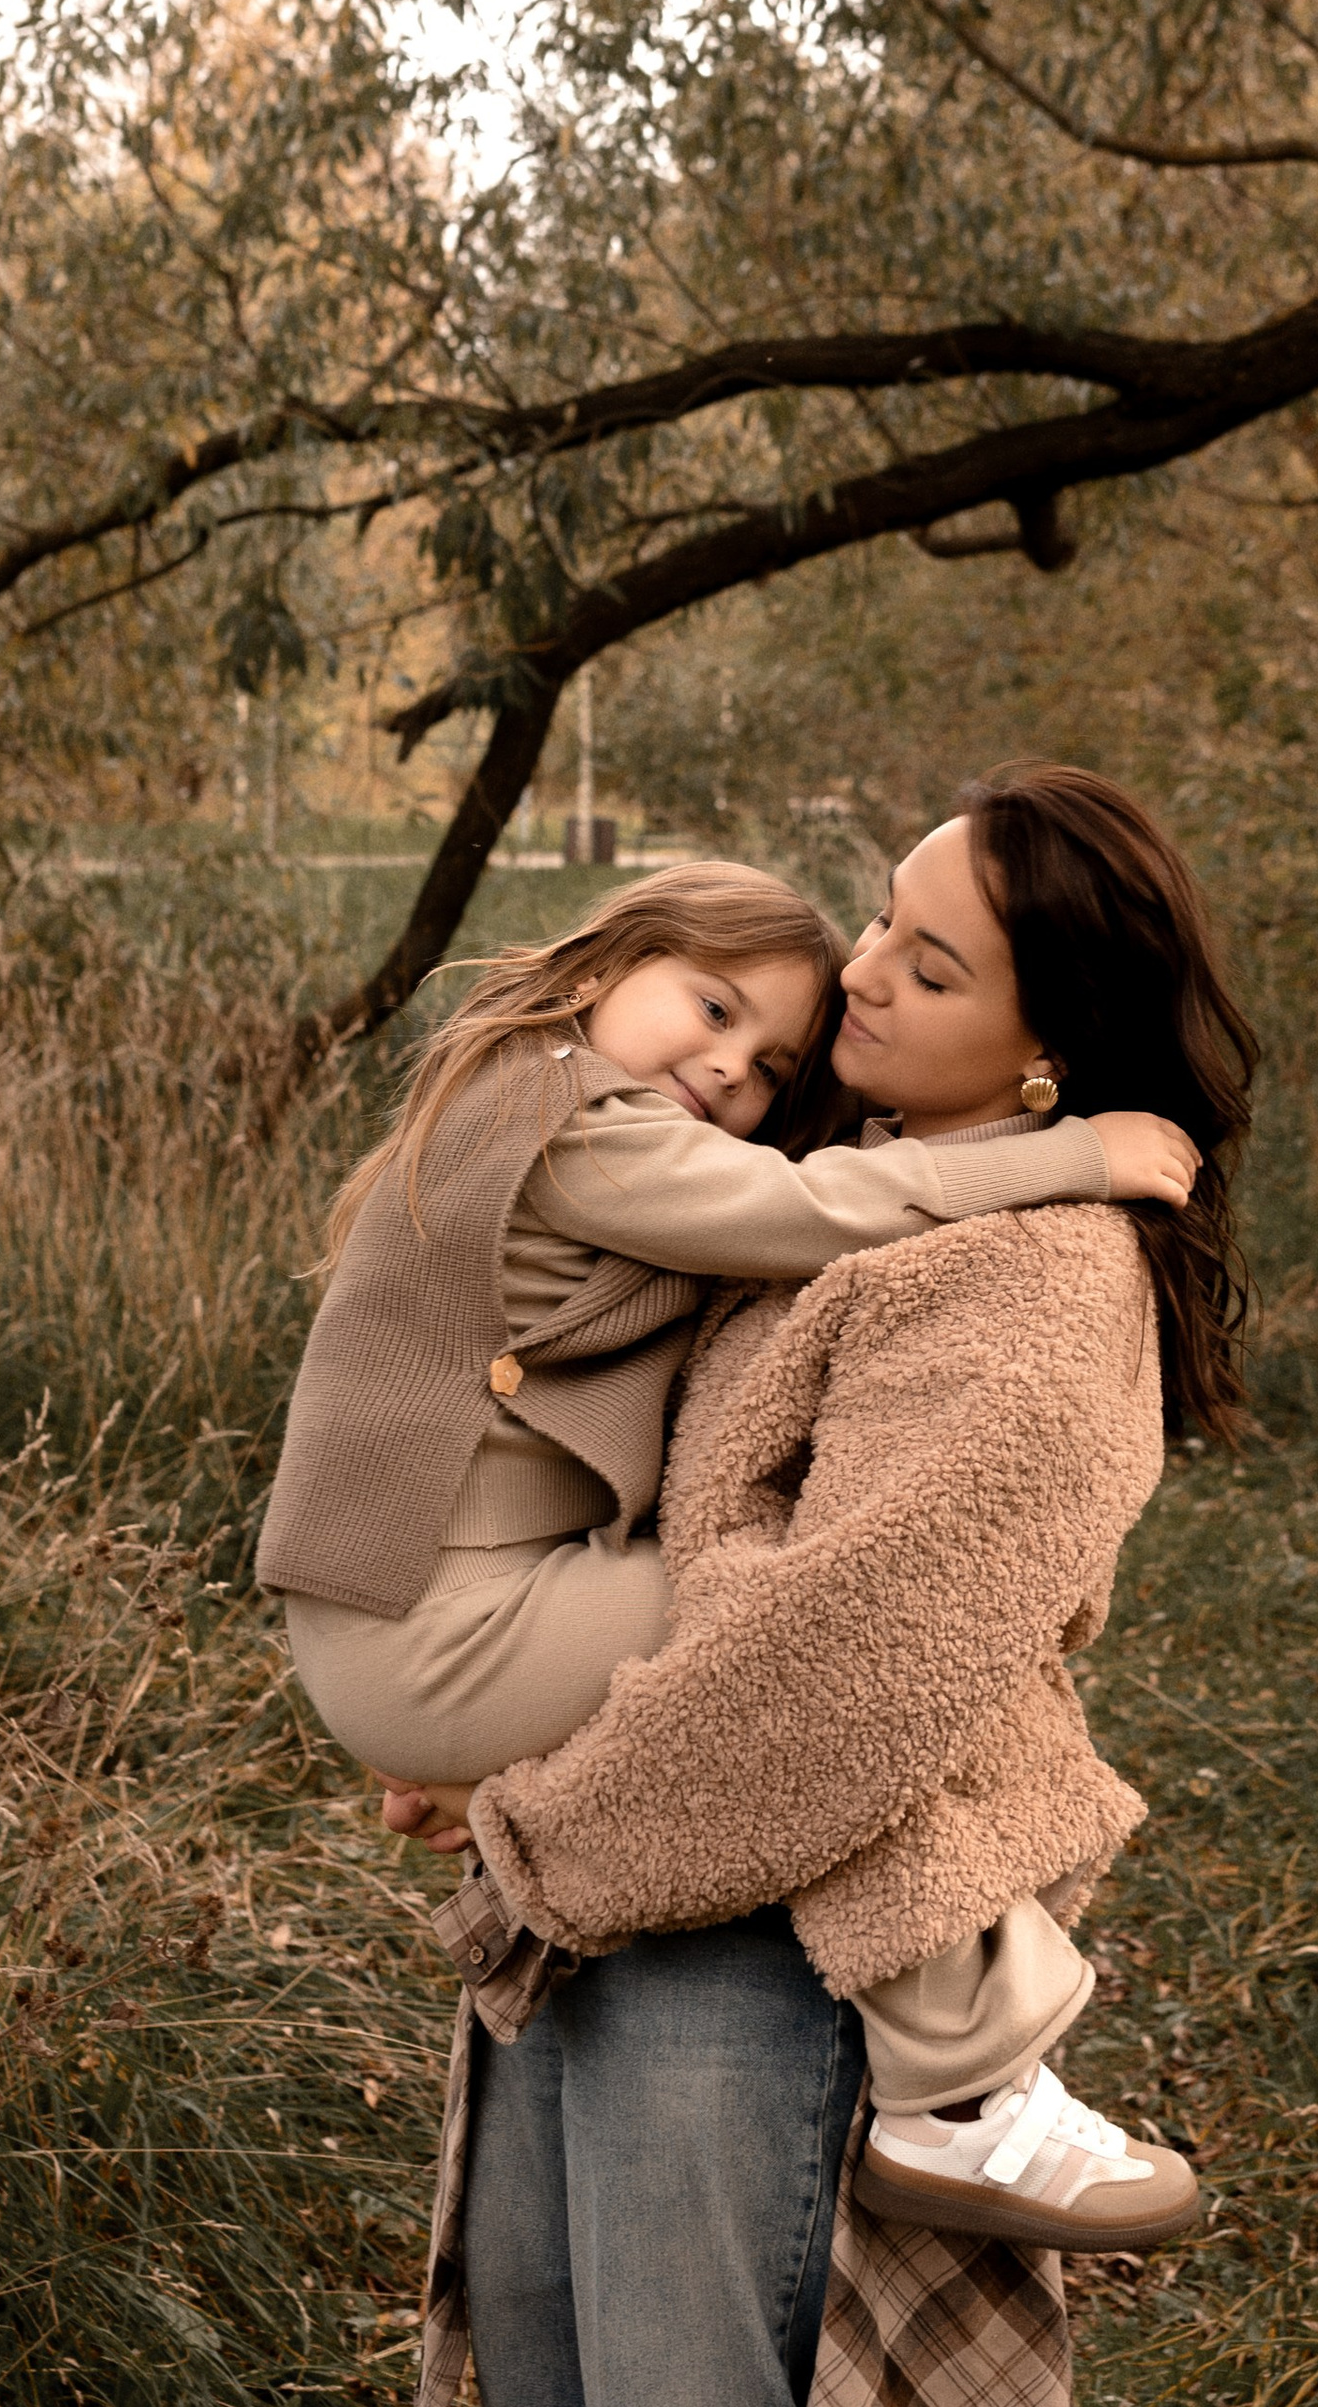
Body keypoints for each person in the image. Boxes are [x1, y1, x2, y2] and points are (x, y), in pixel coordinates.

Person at [385, 764, 1258, 2407]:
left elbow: (833, 1671)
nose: (858, 970)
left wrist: (533, 1809)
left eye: (926, 962)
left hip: (754, 1972)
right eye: (883, 916)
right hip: (605, 1924)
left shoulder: (1047, 1278)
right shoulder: (846, 1184)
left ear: (1043, 1048)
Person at [258, 856, 1203, 2246]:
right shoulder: (566, 1114)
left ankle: (964, 2066)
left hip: (422, 1625)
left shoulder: (548, 1108)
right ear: (597, 974)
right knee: (833, 1636)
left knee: (828, 1627)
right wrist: (1073, 1155)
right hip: (443, 1630)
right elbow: (804, 1214)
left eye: (765, 1062)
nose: (725, 1068)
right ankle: (965, 2094)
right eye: (705, 1008)